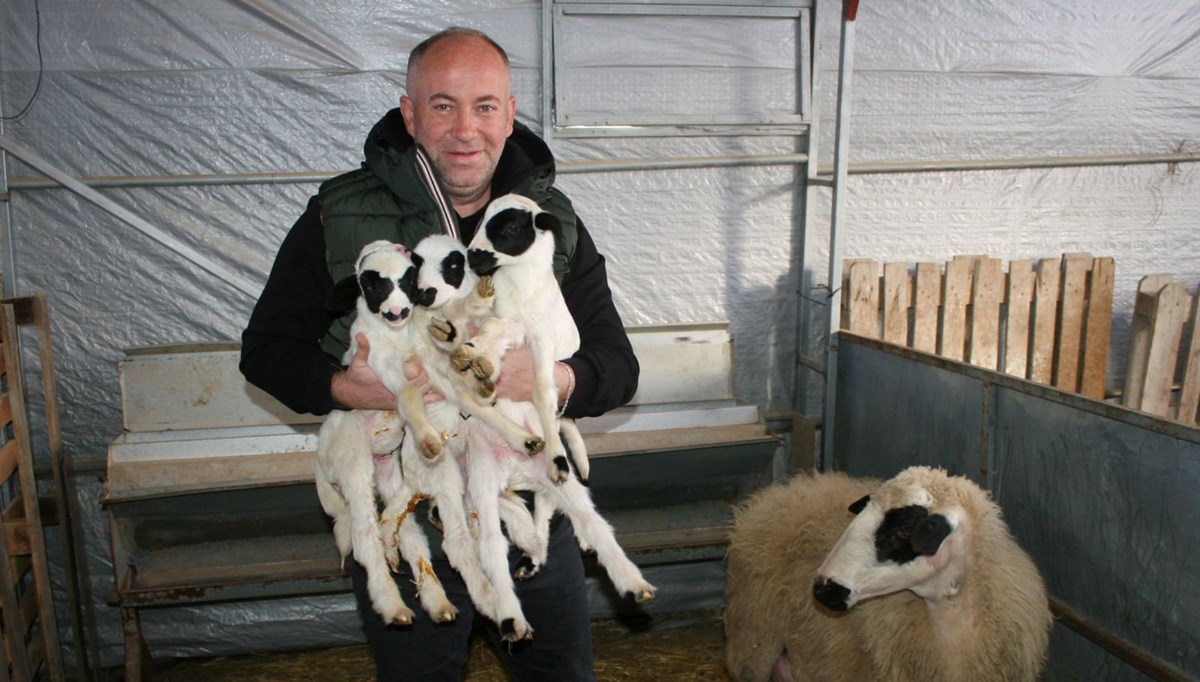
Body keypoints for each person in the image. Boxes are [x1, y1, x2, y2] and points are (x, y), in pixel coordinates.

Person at [239, 26, 639, 682]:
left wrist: (550, 376)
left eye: (485, 106)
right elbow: (266, 350)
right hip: (412, 520)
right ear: (410, 114)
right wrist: (352, 389)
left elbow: (617, 364)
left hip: (529, 505)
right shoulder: (340, 216)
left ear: (510, 116)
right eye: (443, 105)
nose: (465, 129)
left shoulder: (550, 223)